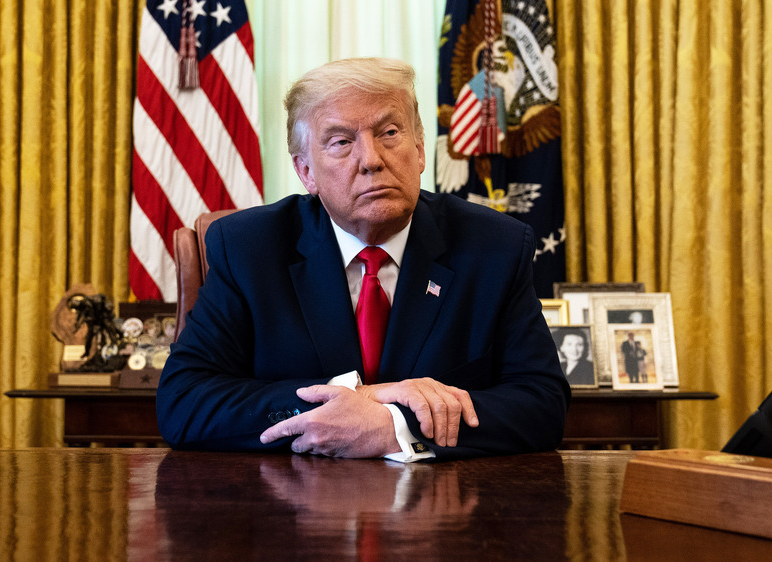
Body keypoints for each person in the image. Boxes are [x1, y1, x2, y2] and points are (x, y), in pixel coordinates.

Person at [156, 57, 570, 461]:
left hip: (443, 514)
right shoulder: (248, 247)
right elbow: (184, 401)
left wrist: (393, 425)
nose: (371, 159)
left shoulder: (494, 246)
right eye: (341, 142)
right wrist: (358, 398)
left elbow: (541, 403)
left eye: (389, 132)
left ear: (421, 150)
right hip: (292, 517)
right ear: (306, 172)